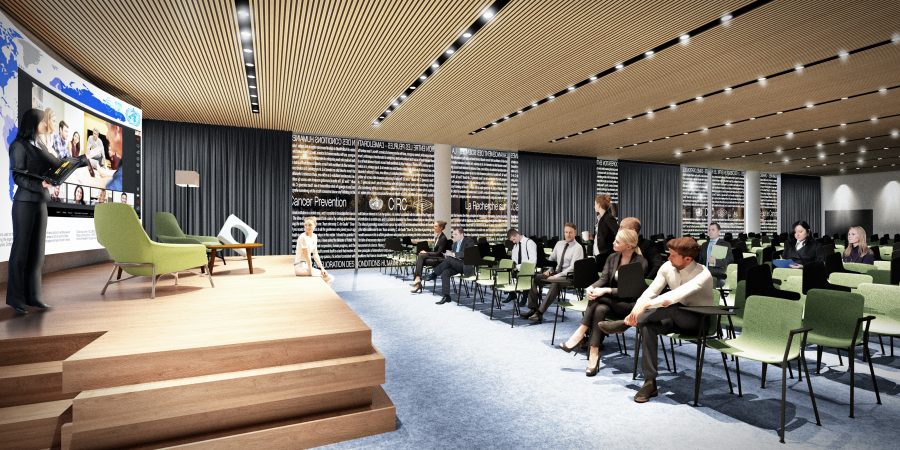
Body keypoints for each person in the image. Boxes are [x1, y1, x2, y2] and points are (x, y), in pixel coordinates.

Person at [599, 237, 714, 403]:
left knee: (672, 306)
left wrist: (645, 306)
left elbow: (674, 296)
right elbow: (651, 291)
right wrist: (637, 308)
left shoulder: (703, 274)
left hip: (698, 322)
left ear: (688, 259)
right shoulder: (668, 267)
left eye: (673, 255)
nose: (669, 257)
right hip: (673, 317)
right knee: (647, 326)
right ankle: (650, 382)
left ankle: (625, 324)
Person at [558, 229, 647, 376]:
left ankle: (580, 334)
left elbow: (631, 292)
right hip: (610, 302)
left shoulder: (640, 262)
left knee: (598, 297)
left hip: (628, 305)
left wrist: (606, 290)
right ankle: (594, 352)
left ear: (628, 246)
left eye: (617, 241)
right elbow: (604, 278)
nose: (613, 243)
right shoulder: (612, 257)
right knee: (599, 308)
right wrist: (592, 287)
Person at [7, 108, 58, 315]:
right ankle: (16, 299)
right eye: (42, 121)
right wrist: (41, 185)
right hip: (25, 203)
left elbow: (55, 164)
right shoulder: (18, 145)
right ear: (32, 123)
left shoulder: (40, 144)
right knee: (20, 252)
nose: (46, 124)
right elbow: (18, 177)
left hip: (40, 203)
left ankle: (34, 296)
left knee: (37, 253)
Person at [521, 222, 584, 323]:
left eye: (570, 232)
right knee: (532, 278)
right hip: (556, 273)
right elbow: (552, 259)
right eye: (566, 232)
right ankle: (533, 308)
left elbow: (573, 268)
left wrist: (556, 276)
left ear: (575, 233)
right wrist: (549, 270)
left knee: (555, 283)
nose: (568, 235)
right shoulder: (559, 244)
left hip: (570, 277)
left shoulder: (578, 247)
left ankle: (539, 313)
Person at [424, 226, 476, 304]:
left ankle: (434, 274)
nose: (453, 236)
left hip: (466, 266)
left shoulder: (469, 241)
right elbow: (453, 257)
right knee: (445, 272)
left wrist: (452, 254)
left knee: (449, 259)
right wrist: (448, 254)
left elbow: (467, 253)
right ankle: (446, 296)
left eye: (455, 234)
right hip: (456, 266)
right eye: (453, 234)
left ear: (462, 234)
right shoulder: (454, 244)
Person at [409, 221, 450, 293]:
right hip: (435, 258)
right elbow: (435, 251)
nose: (434, 227)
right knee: (421, 258)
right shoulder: (437, 236)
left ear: (441, 228)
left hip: (440, 260)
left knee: (420, 257)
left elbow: (438, 253)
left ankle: (417, 280)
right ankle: (418, 282)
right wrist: (426, 252)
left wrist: (427, 253)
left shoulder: (443, 238)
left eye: (436, 226)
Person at [503, 228, 538, 303]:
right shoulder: (515, 246)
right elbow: (514, 259)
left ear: (517, 235)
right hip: (518, 269)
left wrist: (518, 266)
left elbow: (533, 261)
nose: (513, 242)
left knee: (522, 274)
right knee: (506, 273)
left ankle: (524, 297)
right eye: (512, 240)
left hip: (528, 269)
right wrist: (513, 266)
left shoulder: (529, 243)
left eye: (513, 239)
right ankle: (512, 294)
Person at [294, 216, 333, 283]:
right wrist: (310, 270)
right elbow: (307, 256)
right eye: (305, 225)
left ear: (314, 226)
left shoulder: (315, 236)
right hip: (300, 267)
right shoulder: (302, 237)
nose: (307, 227)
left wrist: (322, 268)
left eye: (310, 225)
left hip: (306, 266)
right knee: (329, 278)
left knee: (328, 277)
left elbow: (315, 254)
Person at [697, 222, 733, 287]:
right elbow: (700, 262)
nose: (710, 232)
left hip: (717, 275)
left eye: (713, 230)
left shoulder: (725, 244)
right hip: (704, 274)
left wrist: (716, 261)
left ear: (719, 232)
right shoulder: (704, 245)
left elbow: (729, 260)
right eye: (709, 230)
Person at [592, 194, 618, 270]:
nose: (594, 206)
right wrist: (592, 237)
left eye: (595, 204)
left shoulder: (608, 217)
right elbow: (602, 235)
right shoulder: (601, 218)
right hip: (599, 254)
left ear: (599, 205)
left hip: (605, 254)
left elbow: (618, 232)